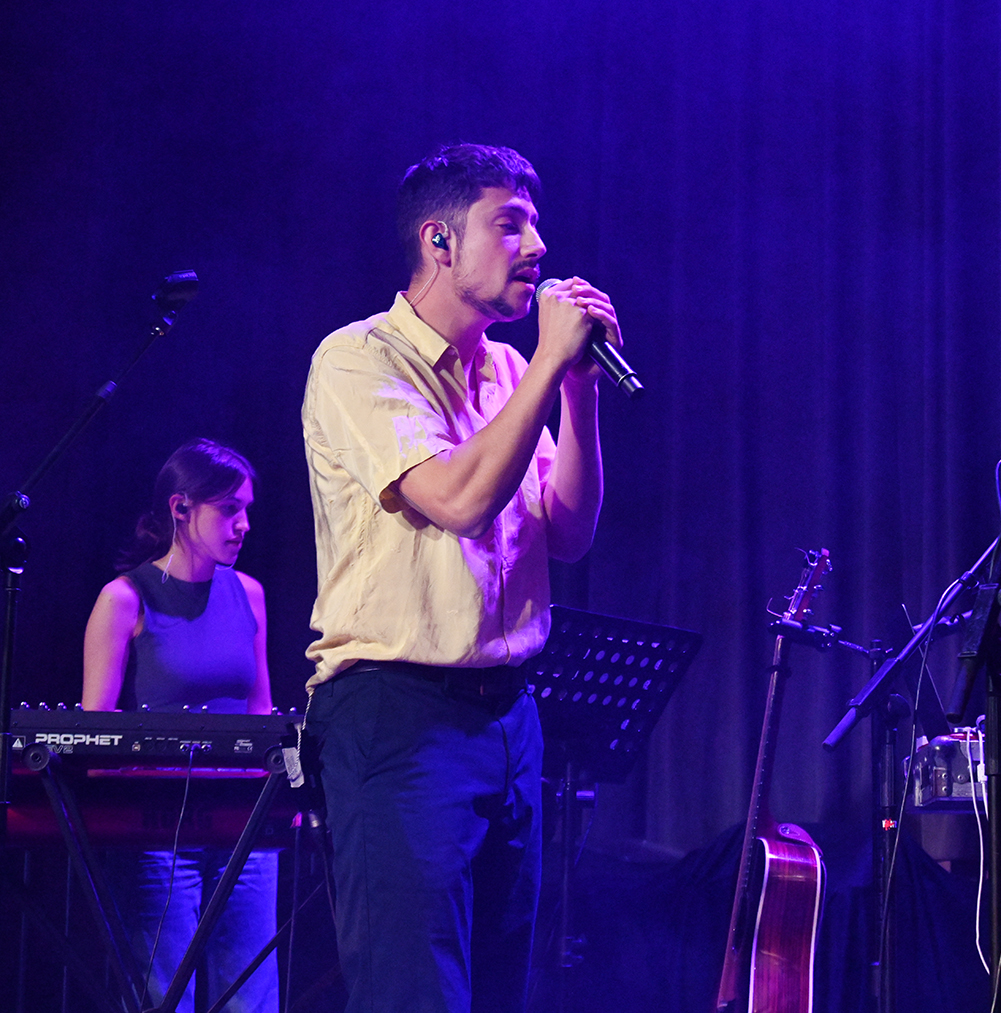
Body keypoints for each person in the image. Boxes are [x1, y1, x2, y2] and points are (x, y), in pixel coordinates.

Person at [299, 143, 614, 1013]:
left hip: (509, 716)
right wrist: (547, 365)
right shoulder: (357, 359)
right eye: (509, 224)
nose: (537, 245)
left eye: (535, 224)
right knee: (415, 993)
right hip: (398, 714)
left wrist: (577, 394)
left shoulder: (509, 371)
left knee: (499, 987)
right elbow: (460, 501)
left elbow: (570, 532)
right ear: (438, 241)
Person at [81, 438, 277, 1013]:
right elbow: (95, 734)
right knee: (162, 996)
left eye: (247, 510)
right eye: (230, 509)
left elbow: (261, 715)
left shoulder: (249, 594)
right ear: (181, 508)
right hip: (159, 832)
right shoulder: (124, 599)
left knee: (251, 996)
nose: (243, 525)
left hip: (243, 825)